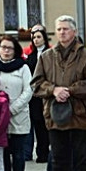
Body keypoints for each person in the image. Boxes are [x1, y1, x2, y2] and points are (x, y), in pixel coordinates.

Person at [31, 15, 86, 171]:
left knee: (84, 159)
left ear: (75, 32)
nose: (62, 32)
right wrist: (53, 90)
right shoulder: (46, 57)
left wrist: (69, 90)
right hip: (55, 115)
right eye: (59, 29)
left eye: (66, 29)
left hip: (79, 114)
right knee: (58, 160)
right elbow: (36, 84)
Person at [0, 36, 32, 171]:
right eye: (3, 47)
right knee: (3, 153)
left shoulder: (23, 68)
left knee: (18, 153)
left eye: (10, 48)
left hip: (18, 115)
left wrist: (13, 109)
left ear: (15, 50)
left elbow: (29, 90)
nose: (6, 51)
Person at [25, 25, 51, 163]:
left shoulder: (50, 53)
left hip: (47, 93)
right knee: (36, 123)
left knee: (45, 124)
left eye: (39, 37)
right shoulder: (30, 56)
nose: (36, 40)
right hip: (34, 95)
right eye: (34, 37)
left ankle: (45, 152)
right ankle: (40, 152)